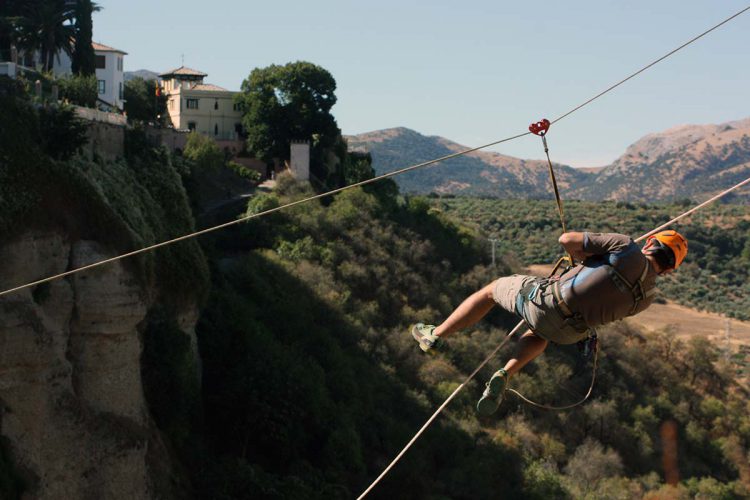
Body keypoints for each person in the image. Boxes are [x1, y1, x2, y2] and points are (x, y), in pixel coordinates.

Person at [411, 230, 688, 416]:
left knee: (492, 290)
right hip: (569, 332)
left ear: (650, 242)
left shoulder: (626, 247)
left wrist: (584, 259)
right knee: (540, 333)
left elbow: (566, 240)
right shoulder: (647, 298)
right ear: (671, 269)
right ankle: (506, 373)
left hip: (545, 303)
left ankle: (435, 334)